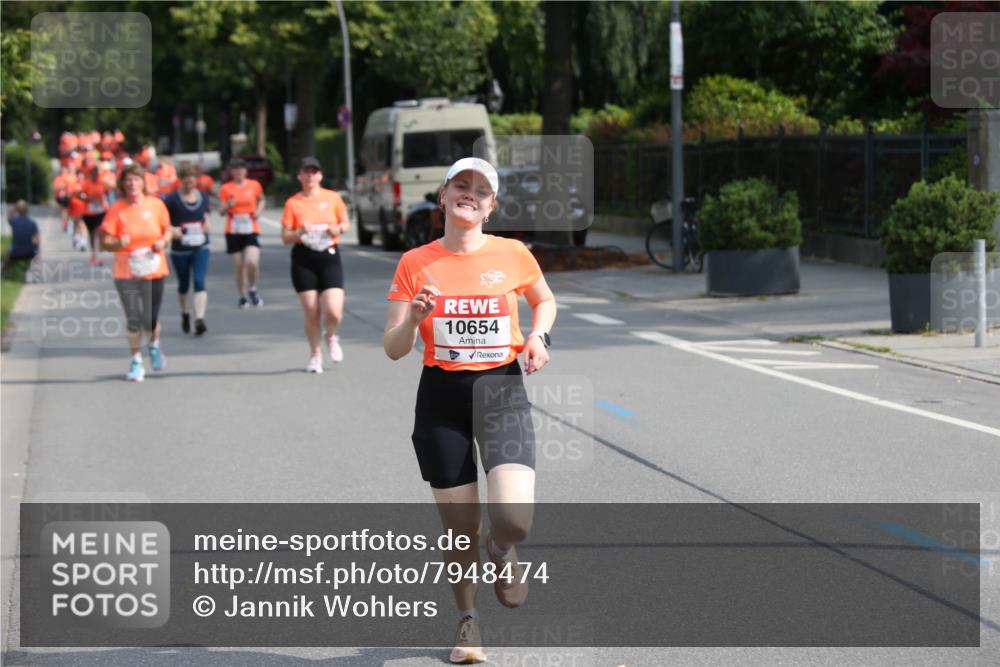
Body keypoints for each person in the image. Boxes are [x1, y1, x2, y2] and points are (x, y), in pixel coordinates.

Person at [383, 158, 556, 664]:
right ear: (443, 196)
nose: (471, 194)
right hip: (442, 398)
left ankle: (503, 552)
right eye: (462, 185)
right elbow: (393, 348)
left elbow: (544, 301)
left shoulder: (513, 253)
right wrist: (414, 319)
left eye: (482, 189)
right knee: (461, 530)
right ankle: (468, 623)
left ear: (491, 206)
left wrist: (540, 336)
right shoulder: (415, 262)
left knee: (514, 521)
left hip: (501, 390)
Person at [99, 164, 172, 382]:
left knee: (149, 318)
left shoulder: (156, 205)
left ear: (143, 182)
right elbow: (105, 241)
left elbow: (167, 230)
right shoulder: (117, 209)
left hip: (153, 269)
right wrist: (116, 242)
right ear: (122, 184)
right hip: (125, 271)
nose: (132, 184)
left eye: (136, 179)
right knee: (133, 318)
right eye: (128, 180)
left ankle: (154, 345)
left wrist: (162, 241)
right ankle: (136, 360)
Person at [280, 157, 349, 373]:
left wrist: (338, 229)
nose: (310, 176)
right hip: (304, 258)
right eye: (306, 172)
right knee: (311, 310)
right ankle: (315, 354)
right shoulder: (293, 203)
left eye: (314, 171)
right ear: (299, 176)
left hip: (329, 256)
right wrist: (300, 230)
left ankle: (330, 335)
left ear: (320, 175)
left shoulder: (333, 197)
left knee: (334, 310)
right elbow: (285, 236)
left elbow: (345, 223)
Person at [164, 163, 212, 336]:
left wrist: (207, 224)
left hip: (201, 246)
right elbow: (163, 222)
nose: (189, 185)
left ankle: (199, 318)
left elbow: (206, 215)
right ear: (180, 181)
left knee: (199, 281)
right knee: (184, 284)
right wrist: (172, 230)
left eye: (192, 182)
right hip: (180, 249)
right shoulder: (171, 200)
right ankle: (185, 313)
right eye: (186, 182)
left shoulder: (203, 197)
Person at [219, 158, 265, 308]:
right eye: (235, 169)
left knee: (252, 261)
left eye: (241, 169)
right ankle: (242, 295)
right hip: (233, 229)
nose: (239, 172)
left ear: (246, 171)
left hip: (250, 228)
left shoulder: (254, 185)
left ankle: (252, 288)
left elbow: (261, 200)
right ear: (231, 172)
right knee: (239, 265)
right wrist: (228, 205)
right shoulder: (226, 188)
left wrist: (258, 211)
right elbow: (221, 211)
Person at [79, 165, 110, 265]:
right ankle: (93, 254)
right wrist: (88, 198)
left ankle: (100, 256)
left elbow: (107, 193)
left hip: (100, 211)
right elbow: (80, 194)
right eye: (94, 173)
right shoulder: (86, 183)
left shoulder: (102, 183)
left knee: (99, 233)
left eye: (97, 173)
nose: (96, 175)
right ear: (91, 174)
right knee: (92, 234)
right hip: (88, 212)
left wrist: (104, 201)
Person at [2, 200, 39, 278]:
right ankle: (28, 272)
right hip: (30, 252)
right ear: (27, 210)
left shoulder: (14, 221)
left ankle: (6, 275)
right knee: (30, 257)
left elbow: (9, 217)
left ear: (17, 210)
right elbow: (36, 240)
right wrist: (37, 252)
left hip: (16, 253)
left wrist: (14, 208)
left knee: (7, 258)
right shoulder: (32, 223)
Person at [52, 164, 79, 233]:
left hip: (72, 196)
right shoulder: (64, 177)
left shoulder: (75, 177)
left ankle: (68, 224)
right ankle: (65, 224)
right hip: (64, 196)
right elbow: (55, 186)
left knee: (68, 211)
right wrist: (63, 187)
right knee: (64, 211)